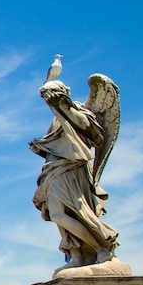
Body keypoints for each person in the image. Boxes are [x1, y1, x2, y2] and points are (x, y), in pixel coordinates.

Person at [29, 77, 121, 272]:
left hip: (72, 169)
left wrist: (65, 109)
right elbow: (55, 143)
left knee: (77, 210)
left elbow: (92, 132)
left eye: (50, 96)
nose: (48, 101)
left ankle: (101, 248)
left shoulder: (77, 109)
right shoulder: (55, 120)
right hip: (54, 169)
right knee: (57, 214)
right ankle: (77, 255)